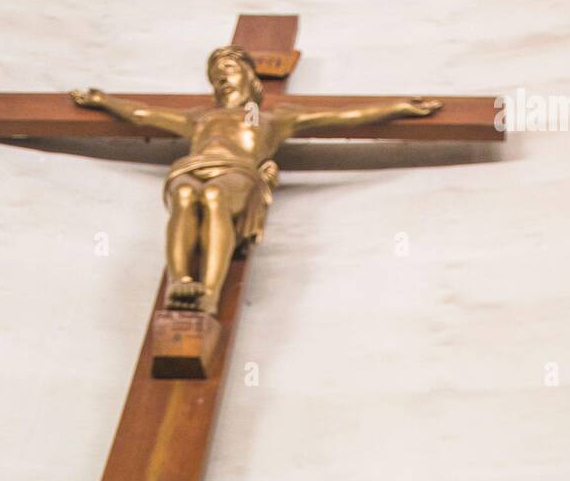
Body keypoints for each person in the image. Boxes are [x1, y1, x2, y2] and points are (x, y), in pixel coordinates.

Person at [70, 46, 442, 316]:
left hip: (237, 173)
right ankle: (181, 280)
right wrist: (103, 100)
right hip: (191, 165)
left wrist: (397, 108)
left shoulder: (273, 119)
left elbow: (342, 116)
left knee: (215, 197)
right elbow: (141, 114)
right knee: (184, 196)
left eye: (229, 69)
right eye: (216, 75)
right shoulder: (199, 117)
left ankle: (210, 294)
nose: (221, 78)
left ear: (248, 76)